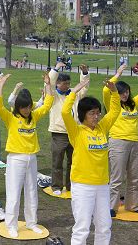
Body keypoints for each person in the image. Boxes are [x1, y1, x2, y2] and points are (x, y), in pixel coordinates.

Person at [62, 78, 120, 245]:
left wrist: (114, 92)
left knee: (104, 225)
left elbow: (115, 111)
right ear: (83, 115)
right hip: (82, 185)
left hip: (102, 185)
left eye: (97, 112)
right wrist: (74, 92)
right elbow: (65, 113)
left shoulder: (102, 127)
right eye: (91, 113)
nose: (96, 116)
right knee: (82, 227)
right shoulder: (77, 132)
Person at [0, 73, 53, 238]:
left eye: (29, 107)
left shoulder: (33, 116)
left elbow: (48, 104)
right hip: (16, 158)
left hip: (31, 158)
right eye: (24, 107)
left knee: (31, 191)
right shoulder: (11, 118)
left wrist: (48, 84)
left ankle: (32, 222)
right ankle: (11, 225)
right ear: (18, 107)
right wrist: (1, 85)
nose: (27, 110)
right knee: (13, 193)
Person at [104, 64, 138, 217]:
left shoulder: (133, 104)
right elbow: (106, 90)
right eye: (121, 92)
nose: (125, 95)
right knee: (117, 177)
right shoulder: (112, 105)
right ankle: (112, 207)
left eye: (126, 92)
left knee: (134, 176)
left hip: (135, 143)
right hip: (118, 142)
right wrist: (117, 74)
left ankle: (132, 205)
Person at [48, 62, 90, 196]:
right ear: (57, 84)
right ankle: (56, 186)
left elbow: (84, 87)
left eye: (68, 83)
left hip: (74, 132)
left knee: (74, 161)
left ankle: (71, 185)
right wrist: (56, 69)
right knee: (58, 161)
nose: (67, 86)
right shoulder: (53, 95)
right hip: (59, 133)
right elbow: (48, 82)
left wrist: (84, 73)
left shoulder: (74, 94)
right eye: (64, 83)